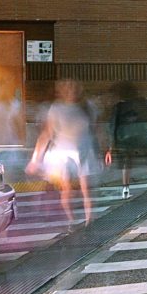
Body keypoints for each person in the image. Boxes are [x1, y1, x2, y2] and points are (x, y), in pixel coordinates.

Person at [28, 78, 97, 224]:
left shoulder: (86, 107)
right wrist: (35, 159)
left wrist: (106, 147)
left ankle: (89, 219)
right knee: (67, 189)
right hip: (62, 152)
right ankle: (72, 221)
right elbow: (47, 133)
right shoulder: (56, 108)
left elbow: (96, 129)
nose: (70, 91)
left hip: (84, 149)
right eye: (67, 88)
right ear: (61, 92)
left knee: (86, 189)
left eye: (73, 88)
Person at [108, 82, 147, 194]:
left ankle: (125, 187)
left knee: (126, 162)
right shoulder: (143, 102)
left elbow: (113, 126)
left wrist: (111, 146)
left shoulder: (118, 107)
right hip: (142, 135)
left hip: (125, 138)